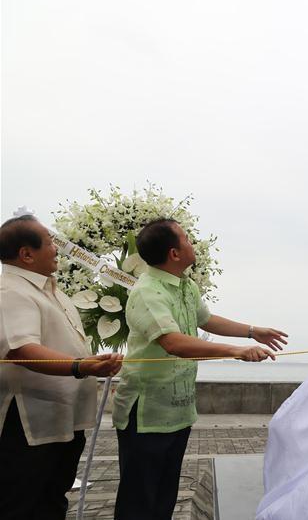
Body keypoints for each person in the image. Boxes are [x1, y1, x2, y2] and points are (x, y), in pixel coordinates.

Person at [112, 218, 288, 520]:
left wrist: (251, 331)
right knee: (139, 498)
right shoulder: (147, 291)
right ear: (174, 254)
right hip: (146, 412)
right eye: (187, 239)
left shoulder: (186, 286)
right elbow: (174, 342)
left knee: (164, 494)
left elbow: (206, 319)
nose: (192, 243)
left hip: (177, 411)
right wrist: (235, 351)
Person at [0, 214, 123, 519]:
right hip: (29, 420)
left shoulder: (49, 289)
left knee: (52, 499)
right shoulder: (12, 291)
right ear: (26, 254)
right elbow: (22, 349)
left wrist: (87, 363)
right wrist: (81, 366)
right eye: (50, 242)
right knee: (23, 503)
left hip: (62, 415)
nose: (57, 248)